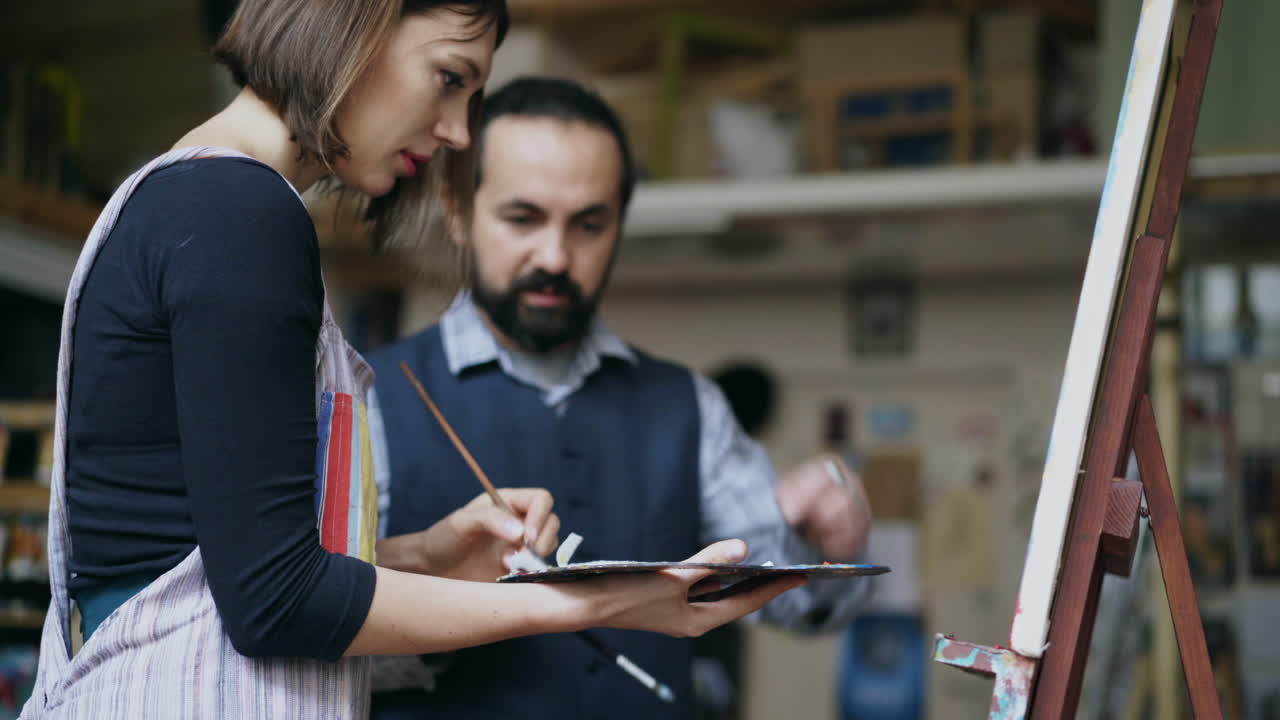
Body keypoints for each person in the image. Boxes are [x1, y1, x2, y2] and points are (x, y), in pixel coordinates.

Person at [23, 4, 804, 718]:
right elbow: (274, 602)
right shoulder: (240, 215)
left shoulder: (190, 198)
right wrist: (599, 600)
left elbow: (210, 571)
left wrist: (426, 557)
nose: (460, 133)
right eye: (449, 79)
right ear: (354, 26)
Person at [367, 76, 875, 720]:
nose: (554, 255)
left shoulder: (689, 406)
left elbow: (806, 607)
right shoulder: (368, 400)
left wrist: (838, 541)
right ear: (456, 209)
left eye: (588, 223)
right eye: (523, 218)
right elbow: (304, 634)